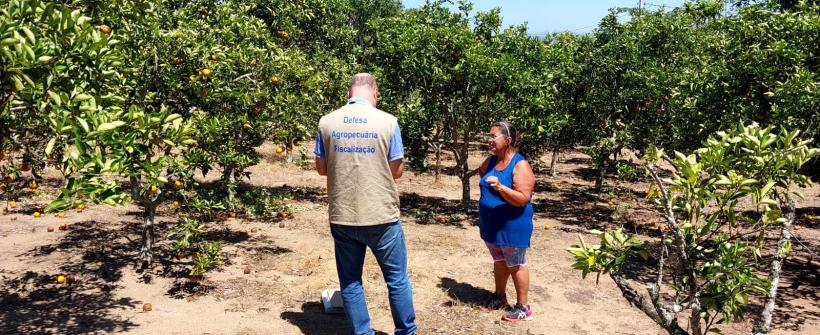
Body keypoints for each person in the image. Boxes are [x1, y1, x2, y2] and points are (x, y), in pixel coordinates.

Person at [314, 73, 416, 335]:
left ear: (349, 93)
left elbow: (321, 169)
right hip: (381, 213)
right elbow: (397, 171)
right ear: (375, 92)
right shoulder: (389, 122)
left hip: (343, 213)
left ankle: (362, 332)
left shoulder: (326, 122)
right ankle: (406, 331)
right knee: (396, 280)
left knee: (350, 280)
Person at [477, 121, 535, 322]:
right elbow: (481, 172)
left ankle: (523, 308)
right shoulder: (492, 161)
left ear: (508, 140)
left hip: (512, 226)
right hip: (491, 226)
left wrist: (501, 188)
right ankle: (499, 296)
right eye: (489, 135)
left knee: (516, 264)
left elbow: (522, 199)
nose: (489, 140)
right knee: (500, 261)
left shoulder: (520, 165)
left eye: (494, 136)